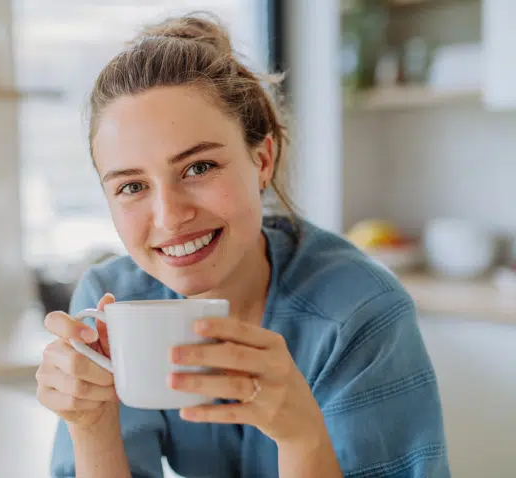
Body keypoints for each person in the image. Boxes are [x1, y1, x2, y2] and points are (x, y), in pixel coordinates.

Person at [35, 13, 451, 478]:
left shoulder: (358, 313)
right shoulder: (112, 304)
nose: (170, 217)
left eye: (199, 168)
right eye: (132, 187)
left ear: (262, 160)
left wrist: (300, 436)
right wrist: (91, 426)